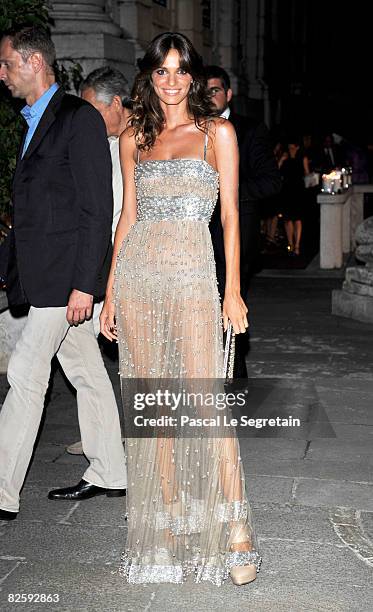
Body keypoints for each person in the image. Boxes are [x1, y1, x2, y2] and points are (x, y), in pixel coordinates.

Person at [100, 32, 261, 586]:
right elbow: (127, 219)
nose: (171, 82)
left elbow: (232, 218)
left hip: (194, 280)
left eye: (180, 71)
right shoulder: (133, 136)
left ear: (193, 77)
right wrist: (111, 292)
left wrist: (234, 290)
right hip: (141, 279)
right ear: (149, 75)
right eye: (161, 71)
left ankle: (236, 533)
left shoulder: (218, 133)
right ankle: (168, 525)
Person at [0, 26, 127, 521]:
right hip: (45, 275)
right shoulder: (35, 120)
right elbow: (37, 210)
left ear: (34, 62)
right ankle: (111, 470)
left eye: (7, 63)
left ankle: (3, 492)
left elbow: (98, 209)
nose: (3, 73)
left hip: (65, 281)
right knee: (87, 374)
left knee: (26, 374)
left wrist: (84, 284)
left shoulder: (78, 119)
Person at [66, 66, 132, 456]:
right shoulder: (104, 143)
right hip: (99, 258)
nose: (89, 119)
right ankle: (100, 433)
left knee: (131, 352)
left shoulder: (136, 140)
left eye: (95, 110)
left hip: (126, 259)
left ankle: (127, 435)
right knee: (89, 349)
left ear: (117, 104)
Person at [206, 65, 281, 379]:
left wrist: (228, 192)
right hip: (195, 237)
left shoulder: (249, 130)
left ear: (229, 93)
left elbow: (272, 181)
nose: (209, 96)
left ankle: (234, 380)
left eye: (215, 90)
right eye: (203, 90)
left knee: (228, 306)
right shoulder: (189, 128)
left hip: (235, 237)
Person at [279, 139, 310, 255]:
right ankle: (290, 244)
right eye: (289, 147)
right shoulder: (285, 158)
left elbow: (307, 174)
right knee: (287, 219)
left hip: (298, 191)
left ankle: (297, 245)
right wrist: (281, 160)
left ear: (297, 147)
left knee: (297, 218)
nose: (290, 149)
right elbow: (277, 172)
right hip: (286, 191)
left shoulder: (302, 158)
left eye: (292, 147)